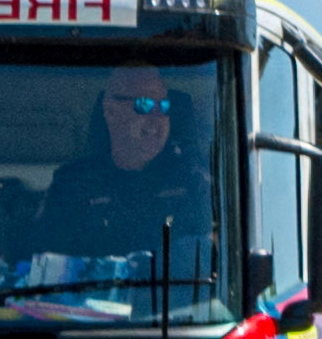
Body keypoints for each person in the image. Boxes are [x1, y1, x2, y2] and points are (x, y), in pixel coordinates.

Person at [37, 63, 211, 270]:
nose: (157, 119)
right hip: (85, 299)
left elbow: (209, 266)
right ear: (110, 110)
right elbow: (46, 266)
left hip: (171, 301)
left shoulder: (194, 183)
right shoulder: (72, 185)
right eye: (144, 105)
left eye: (164, 107)